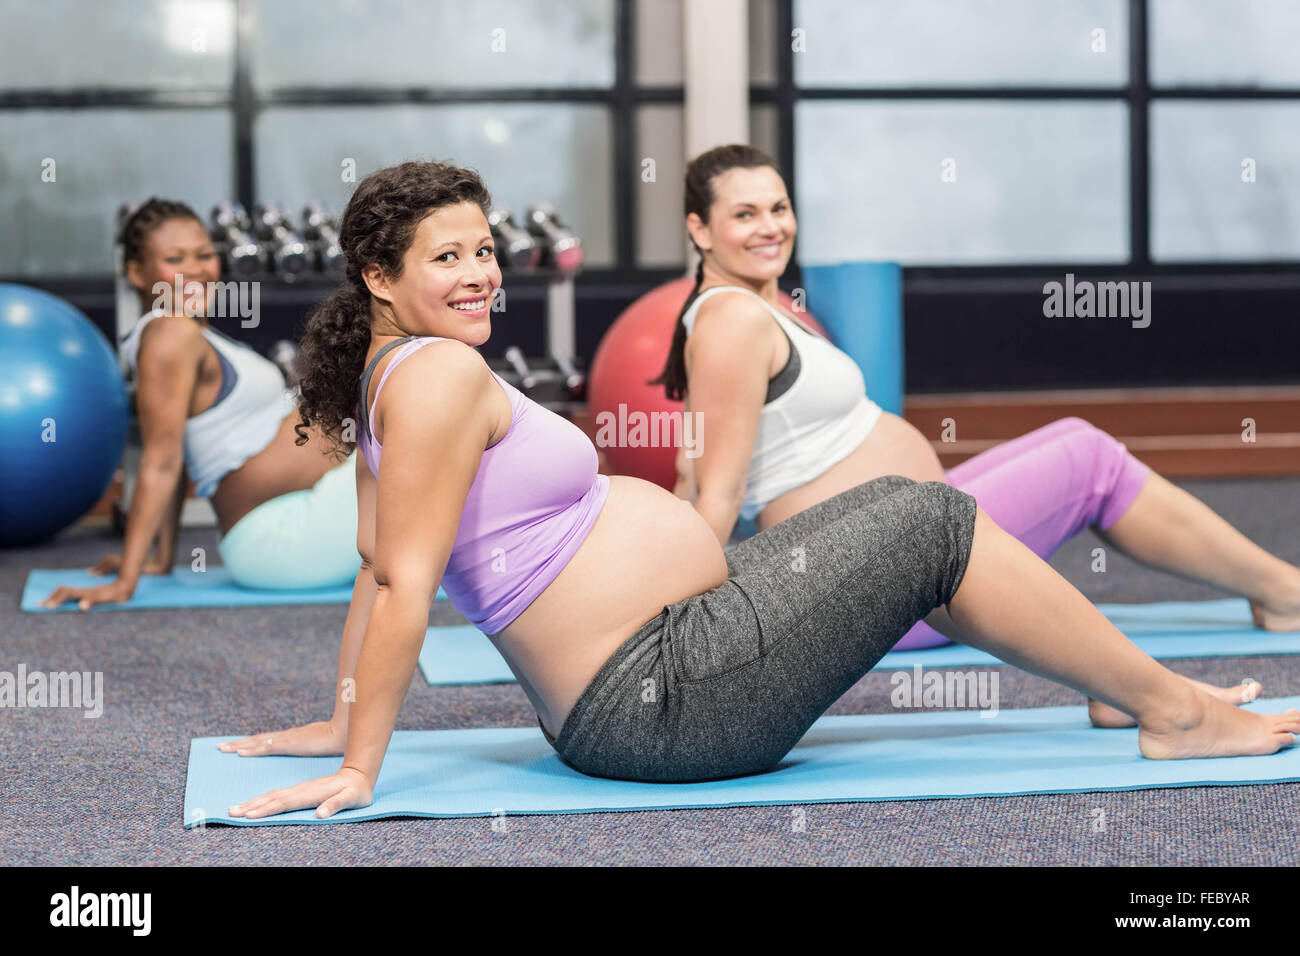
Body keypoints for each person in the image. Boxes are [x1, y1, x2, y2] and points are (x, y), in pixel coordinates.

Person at [216, 161, 1297, 823]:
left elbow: (372, 562)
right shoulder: (442, 374)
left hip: (665, 662)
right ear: (377, 276)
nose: (481, 273)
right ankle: (1174, 711)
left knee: (897, 522)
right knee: (929, 517)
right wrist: (360, 760)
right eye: (445, 256)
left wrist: (338, 717)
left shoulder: (395, 373)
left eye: (485, 249)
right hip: (659, 705)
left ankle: (1129, 687)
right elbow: (399, 577)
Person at [660, 144, 1300, 671]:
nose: (770, 227)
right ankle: (1283, 592)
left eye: (778, 207)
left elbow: (689, 467)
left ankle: (1272, 593)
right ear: (700, 229)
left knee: (1081, 442)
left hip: (902, 549)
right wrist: (669, 627)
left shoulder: (747, 311)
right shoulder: (731, 322)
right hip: (885, 584)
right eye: (744, 215)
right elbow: (716, 490)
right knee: (1089, 458)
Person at [40, 199, 360, 610]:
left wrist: (162, 558)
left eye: (204, 254)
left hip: (299, 519)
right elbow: (160, 461)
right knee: (426, 435)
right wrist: (126, 581)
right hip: (284, 534)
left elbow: (175, 452)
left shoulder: (192, 334)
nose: (195, 269)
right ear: (137, 273)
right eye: (175, 259)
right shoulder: (169, 334)